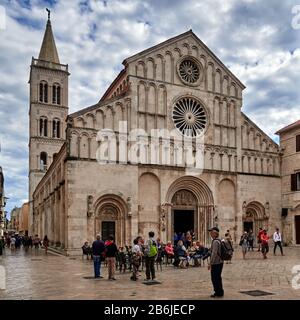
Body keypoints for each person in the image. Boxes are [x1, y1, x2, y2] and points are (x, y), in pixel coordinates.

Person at [208, 227, 224, 298]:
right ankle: (220, 291)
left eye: (211, 232)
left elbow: (214, 253)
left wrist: (210, 263)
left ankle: (217, 292)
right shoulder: (219, 240)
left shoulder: (215, 242)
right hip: (220, 262)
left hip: (216, 263)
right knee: (218, 277)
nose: (210, 234)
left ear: (215, 233)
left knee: (214, 278)